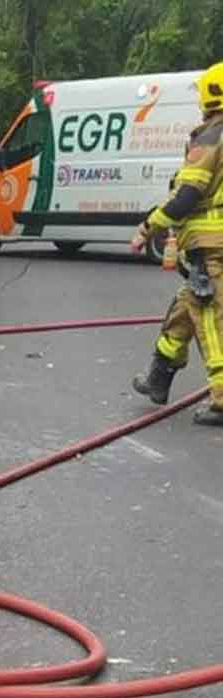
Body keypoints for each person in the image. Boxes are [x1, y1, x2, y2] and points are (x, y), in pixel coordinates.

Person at [129, 62, 223, 427]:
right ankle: (158, 378)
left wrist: (147, 228)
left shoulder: (212, 135)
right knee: (184, 309)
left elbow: (187, 195)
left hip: (211, 243)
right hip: (211, 245)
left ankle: (221, 398)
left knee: (211, 319)